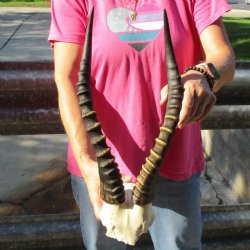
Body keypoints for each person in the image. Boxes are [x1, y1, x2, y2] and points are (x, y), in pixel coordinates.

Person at [48, 0, 235, 249]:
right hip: (101, 168)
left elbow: (224, 57)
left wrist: (204, 75)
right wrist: (86, 161)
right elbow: (66, 76)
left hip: (173, 160)